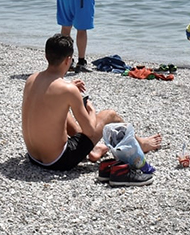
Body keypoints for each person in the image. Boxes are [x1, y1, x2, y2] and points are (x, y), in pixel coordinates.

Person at [22, 34, 161, 172]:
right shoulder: (68, 90)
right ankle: (141, 144)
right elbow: (89, 130)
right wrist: (91, 111)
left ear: (46, 56)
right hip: (59, 161)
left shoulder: (32, 79)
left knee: (59, 108)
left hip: (34, 157)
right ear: (68, 60)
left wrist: (68, 87)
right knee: (110, 115)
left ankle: (94, 148)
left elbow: (49, 97)